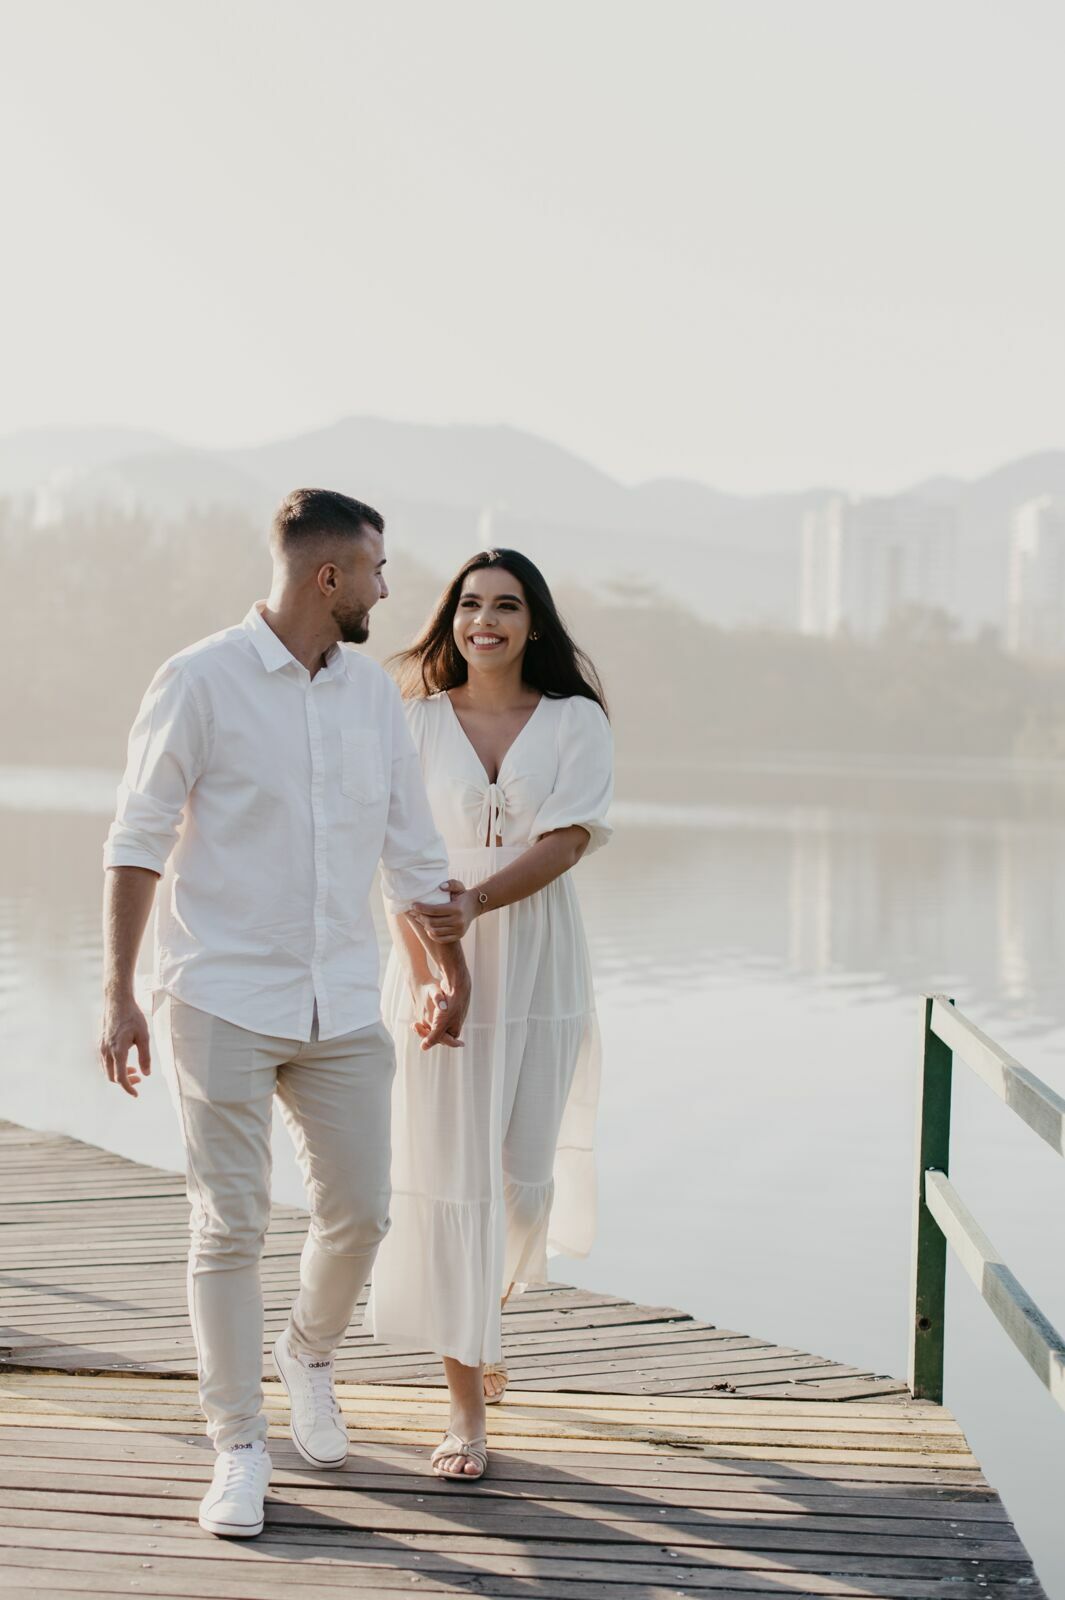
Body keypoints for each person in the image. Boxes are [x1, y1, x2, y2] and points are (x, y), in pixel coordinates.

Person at [99, 488, 470, 1538]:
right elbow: (136, 839)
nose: (388, 589)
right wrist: (119, 991)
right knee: (230, 1221)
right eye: (377, 571)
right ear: (329, 577)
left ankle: (306, 1349)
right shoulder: (199, 680)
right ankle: (239, 1446)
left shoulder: (372, 701)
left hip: (344, 998)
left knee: (363, 1209)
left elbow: (413, 850)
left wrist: (451, 963)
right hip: (218, 991)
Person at [369, 548, 613, 1481]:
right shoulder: (414, 722)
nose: (485, 620)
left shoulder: (575, 721)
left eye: (506, 606)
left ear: (533, 624)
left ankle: (487, 1312)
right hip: (433, 959)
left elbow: (568, 841)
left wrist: (478, 903)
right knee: (451, 1182)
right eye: (469, 604)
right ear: (450, 619)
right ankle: (465, 1406)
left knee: (519, 1181)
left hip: (538, 959)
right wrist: (433, 963)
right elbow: (396, 856)